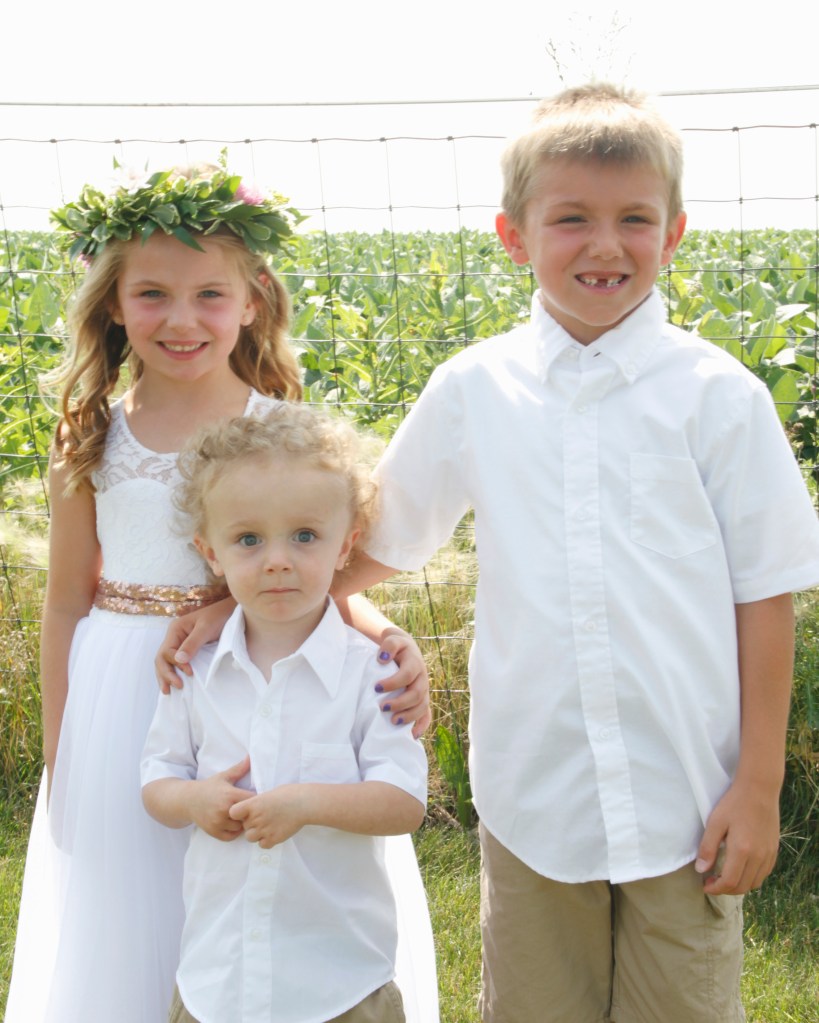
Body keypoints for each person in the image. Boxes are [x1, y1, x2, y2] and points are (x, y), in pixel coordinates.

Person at [331, 84, 819, 1022]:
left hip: (687, 795)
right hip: (534, 792)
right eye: (570, 219)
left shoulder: (719, 398)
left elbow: (764, 593)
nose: (605, 245)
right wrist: (241, 604)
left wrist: (758, 785)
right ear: (513, 235)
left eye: (634, 218)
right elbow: (375, 546)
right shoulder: (472, 389)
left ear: (673, 234)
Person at [5, 163, 435, 1023]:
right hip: (118, 691)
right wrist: (62, 749)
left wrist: (387, 633)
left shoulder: (276, 428)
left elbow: (319, 565)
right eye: (152, 294)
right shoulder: (90, 433)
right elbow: (65, 602)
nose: (182, 319)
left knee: (254, 874)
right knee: (129, 906)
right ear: (113, 303)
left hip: (251, 679)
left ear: (250, 302)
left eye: (209, 294)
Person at [141, 404, 428, 1023]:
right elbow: (158, 778)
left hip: (339, 986)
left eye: (304, 536)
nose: (277, 560)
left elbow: (404, 802)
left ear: (346, 544)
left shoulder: (373, 674)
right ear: (210, 552)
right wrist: (192, 800)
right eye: (248, 539)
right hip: (218, 982)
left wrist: (305, 803)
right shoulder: (194, 671)